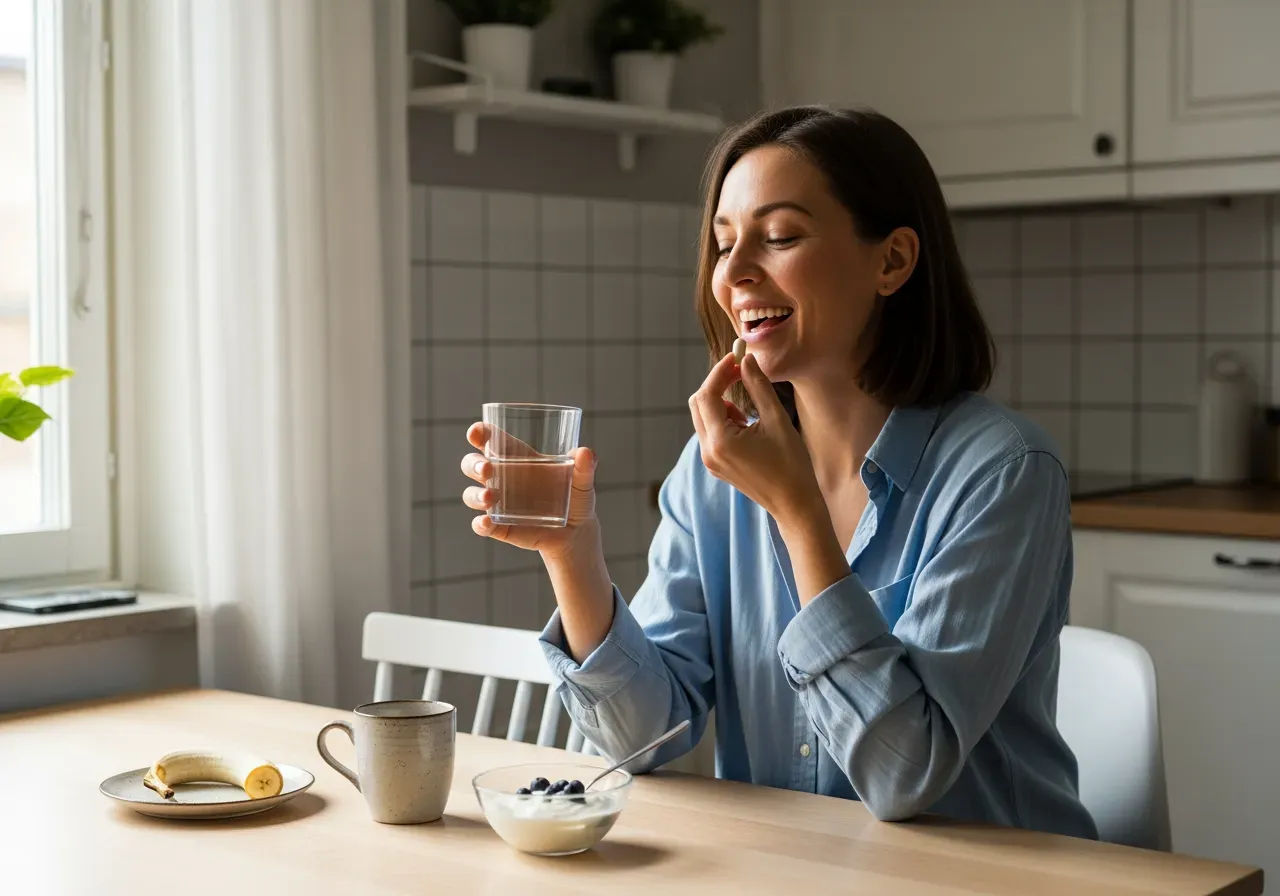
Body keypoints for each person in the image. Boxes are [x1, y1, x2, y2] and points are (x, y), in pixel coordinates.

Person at [459, 106, 1097, 839]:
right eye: (723, 245)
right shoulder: (710, 475)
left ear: (892, 261)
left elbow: (903, 773)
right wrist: (573, 554)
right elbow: (643, 736)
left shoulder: (1004, 473)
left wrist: (798, 514)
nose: (732, 275)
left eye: (781, 237)